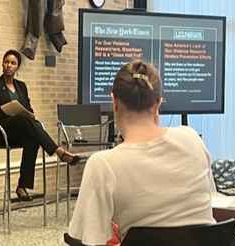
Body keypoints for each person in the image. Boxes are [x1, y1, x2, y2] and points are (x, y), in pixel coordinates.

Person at [68, 60, 216, 245]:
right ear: (158, 105)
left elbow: (89, 240)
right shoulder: (192, 139)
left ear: (114, 103)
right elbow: (209, 200)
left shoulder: (103, 164)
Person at [0, 50, 82, 201]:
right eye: (6, 62)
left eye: (13, 63)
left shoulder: (21, 86)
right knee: (23, 118)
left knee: (32, 138)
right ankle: (58, 151)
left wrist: (23, 114)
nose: (9, 65)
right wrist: (8, 113)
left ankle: (22, 186)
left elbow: (29, 110)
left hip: (17, 130)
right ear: (2, 64)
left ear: (17, 67)